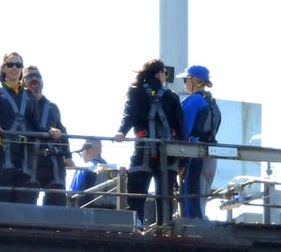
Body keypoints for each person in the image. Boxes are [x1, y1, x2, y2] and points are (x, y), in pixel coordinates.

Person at [114, 59, 184, 225]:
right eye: (165, 74)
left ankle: (136, 225)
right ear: (160, 73)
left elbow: (129, 115)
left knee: (137, 195)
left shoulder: (135, 92)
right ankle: (165, 229)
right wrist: (183, 161)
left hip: (142, 150)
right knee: (164, 196)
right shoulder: (171, 97)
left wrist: (121, 132)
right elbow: (181, 129)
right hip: (168, 154)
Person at [0, 52, 36, 204]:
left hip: (24, 155)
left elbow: (36, 124)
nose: (14, 68)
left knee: (24, 201)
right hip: (2, 153)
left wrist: (51, 131)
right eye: (10, 64)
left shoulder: (29, 96)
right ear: (3, 68)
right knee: (1, 199)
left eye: (18, 65)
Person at [176, 64, 222, 219]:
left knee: (191, 198)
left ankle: (193, 232)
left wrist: (181, 161)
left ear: (194, 80)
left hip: (195, 156)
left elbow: (184, 131)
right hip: (211, 156)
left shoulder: (192, 101)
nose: (184, 83)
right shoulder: (212, 102)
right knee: (201, 200)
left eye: (185, 79)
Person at [22, 65, 72, 207]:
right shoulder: (21, 104)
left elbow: (63, 131)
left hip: (52, 161)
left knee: (57, 201)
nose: (34, 79)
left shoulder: (52, 107)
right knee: (27, 203)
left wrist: (68, 156)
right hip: (29, 159)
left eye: (37, 75)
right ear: (23, 81)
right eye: (30, 76)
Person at [70, 137, 116, 209]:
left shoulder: (83, 169)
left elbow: (71, 194)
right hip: (110, 212)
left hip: (85, 213)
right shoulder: (113, 170)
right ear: (100, 151)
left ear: (86, 150)